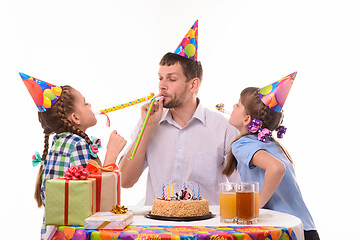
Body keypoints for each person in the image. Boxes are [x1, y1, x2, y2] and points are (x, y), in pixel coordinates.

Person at [119, 21, 240, 205]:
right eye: (160, 78)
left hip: (205, 230)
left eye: (171, 79)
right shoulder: (148, 123)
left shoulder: (224, 128)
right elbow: (125, 180)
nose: (162, 85)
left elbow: (240, 188)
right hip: (159, 228)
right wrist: (147, 128)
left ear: (193, 85)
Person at [20, 72, 127, 239]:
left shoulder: (57, 142)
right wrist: (112, 155)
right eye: (85, 103)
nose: (90, 105)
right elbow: (94, 200)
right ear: (76, 118)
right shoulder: (78, 144)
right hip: (74, 233)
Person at [223, 72, 319, 240]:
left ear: (247, 119)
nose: (233, 106)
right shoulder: (271, 144)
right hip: (306, 229)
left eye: (238, 105)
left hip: (284, 232)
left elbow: (276, 168)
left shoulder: (242, 144)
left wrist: (256, 206)